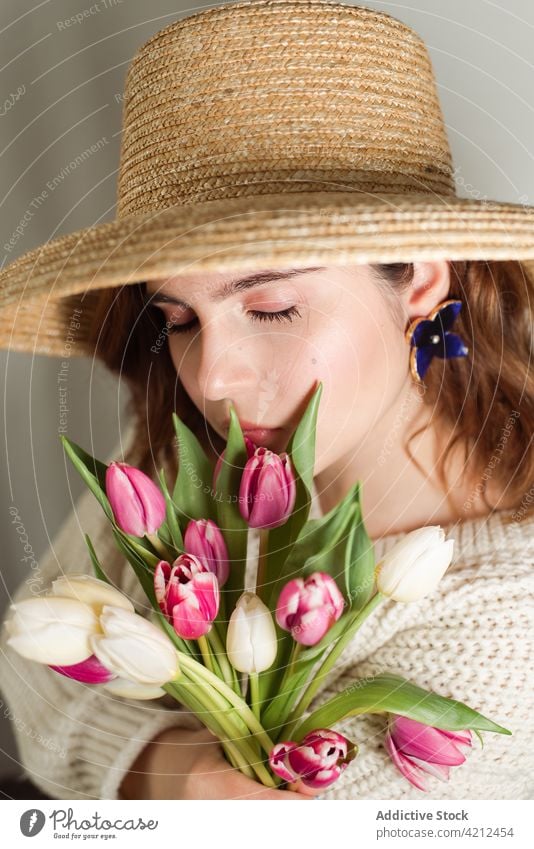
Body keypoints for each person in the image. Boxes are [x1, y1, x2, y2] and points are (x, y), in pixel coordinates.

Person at [0, 0, 533, 800]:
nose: (212, 377)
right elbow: (30, 656)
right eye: (177, 319)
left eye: (271, 307)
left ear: (420, 278)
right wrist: (180, 772)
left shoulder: (508, 623)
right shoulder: (189, 454)